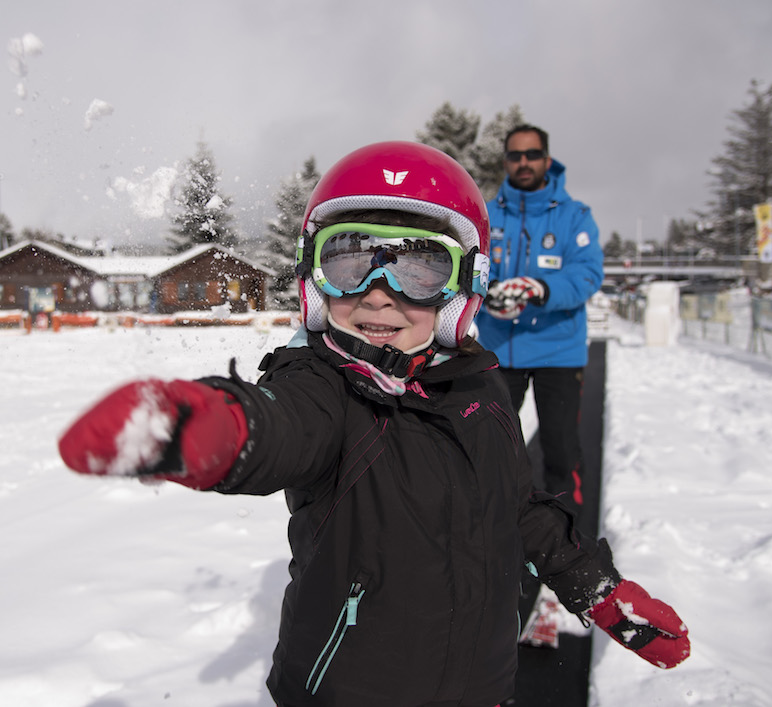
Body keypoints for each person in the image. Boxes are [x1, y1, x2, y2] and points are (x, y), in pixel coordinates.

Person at [57, 142, 688, 707]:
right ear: (315, 280)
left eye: (420, 268)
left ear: (464, 286)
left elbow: (515, 506)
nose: (379, 293)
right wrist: (210, 426)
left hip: (482, 686)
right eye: (351, 261)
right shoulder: (325, 388)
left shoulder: (479, 385)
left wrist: (599, 589)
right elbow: (283, 427)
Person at [475, 125, 604, 505]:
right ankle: (502, 530)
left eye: (531, 155)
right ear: (506, 162)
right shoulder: (487, 215)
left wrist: (541, 290)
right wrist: (490, 295)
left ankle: (567, 541)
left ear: (547, 160)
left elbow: (587, 274)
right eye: (515, 156)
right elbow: (475, 269)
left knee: (561, 454)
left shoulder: (575, 216)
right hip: (501, 347)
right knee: (493, 448)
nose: (524, 162)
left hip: (558, 351)